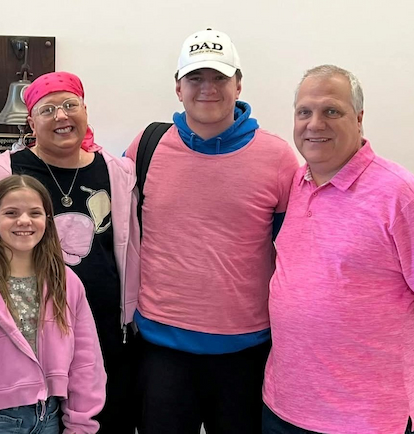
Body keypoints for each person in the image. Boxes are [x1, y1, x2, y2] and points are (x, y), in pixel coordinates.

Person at [261, 64, 414, 434]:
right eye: (304, 112)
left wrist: (383, 316)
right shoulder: (294, 184)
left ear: (359, 119)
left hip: (370, 419)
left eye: (332, 111)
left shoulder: (400, 195)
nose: (315, 124)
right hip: (284, 407)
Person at [0, 71, 140, 433]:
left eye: (70, 105)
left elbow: (134, 249)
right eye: (48, 109)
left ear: (85, 111)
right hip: (26, 351)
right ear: (31, 121)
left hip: (106, 335)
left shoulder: (118, 173)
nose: (61, 116)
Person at [123, 29, 299, 434]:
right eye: (196, 78)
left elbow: (297, 255)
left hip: (247, 352)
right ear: (178, 87)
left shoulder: (277, 158)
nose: (208, 89)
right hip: (160, 348)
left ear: (238, 83)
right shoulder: (146, 147)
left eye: (219, 78)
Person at [0, 174, 106, 433]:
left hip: (51, 417)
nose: (24, 221)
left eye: (34, 213)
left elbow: (86, 361)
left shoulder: (67, 283)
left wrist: (81, 423)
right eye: (11, 212)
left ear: (47, 220)